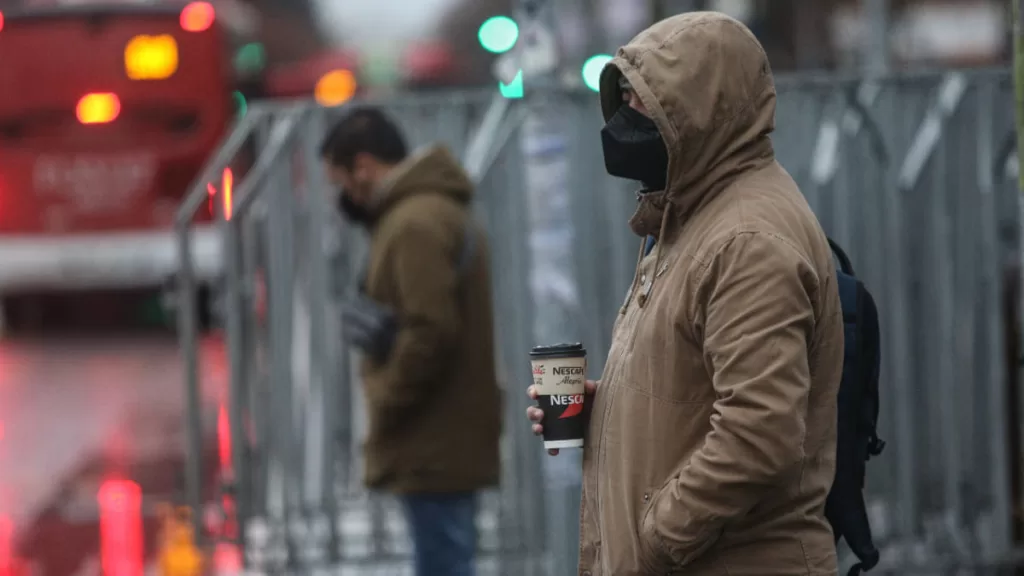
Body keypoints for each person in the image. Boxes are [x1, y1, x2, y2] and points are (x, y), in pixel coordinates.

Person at [526, 12, 843, 576]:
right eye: (622, 96)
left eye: (644, 100)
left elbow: (759, 434)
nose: (625, 117)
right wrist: (609, 413)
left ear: (703, 109)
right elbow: (699, 382)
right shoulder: (690, 216)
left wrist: (658, 538)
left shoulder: (746, 239)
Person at [321, 106, 502, 576]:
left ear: (363, 166)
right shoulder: (421, 212)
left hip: (433, 437)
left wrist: (385, 398)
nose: (341, 195)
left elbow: (430, 331)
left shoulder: (414, 222)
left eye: (340, 180)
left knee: (443, 562)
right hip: (440, 435)